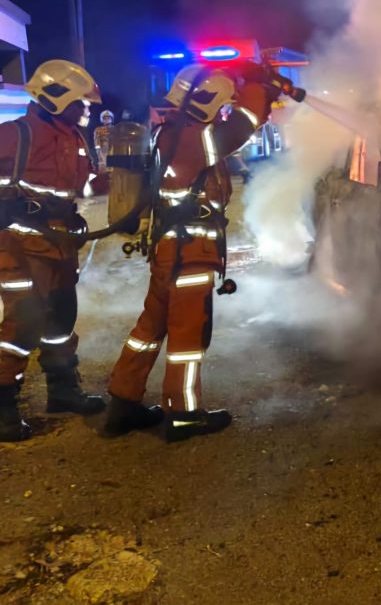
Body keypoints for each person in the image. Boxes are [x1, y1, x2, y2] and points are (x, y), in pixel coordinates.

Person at [104, 63, 279, 442]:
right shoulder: (193, 139)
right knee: (188, 335)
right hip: (190, 253)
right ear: (205, 102)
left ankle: (123, 403)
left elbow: (239, 127)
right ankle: (184, 415)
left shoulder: (170, 133)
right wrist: (256, 84)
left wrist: (261, 91)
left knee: (150, 328)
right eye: (220, 106)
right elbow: (242, 125)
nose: (222, 113)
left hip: (169, 249)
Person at [0, 59, 107, 442]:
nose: (86, 109)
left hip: (59, 246)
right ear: (55, 97)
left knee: (61, 318)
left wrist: (127, 181)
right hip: (18, 247)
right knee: (22, 324)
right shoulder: (14, 134)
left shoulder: (74, 137)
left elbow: (84, 185)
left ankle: (63, 392)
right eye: (81, 102)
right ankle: (3, 408)